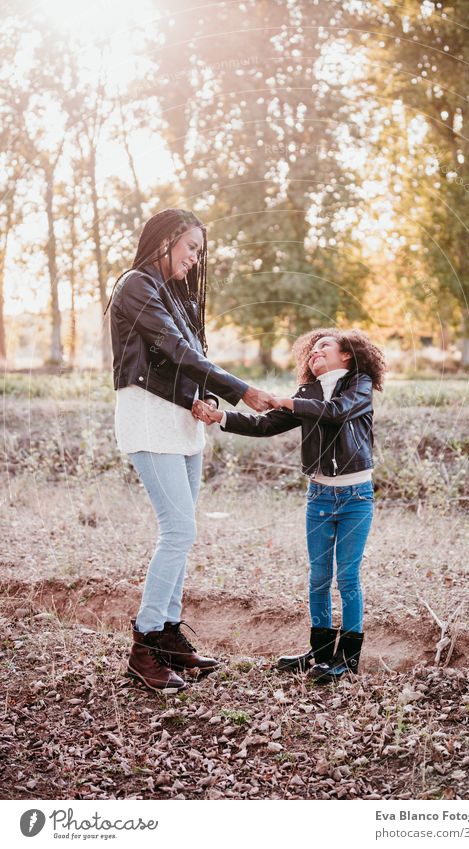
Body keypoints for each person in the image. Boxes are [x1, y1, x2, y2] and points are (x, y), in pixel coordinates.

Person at [107, 208, 281, 692]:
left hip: (182, 419)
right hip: (148, 416)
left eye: (199, 251)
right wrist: (240, 390)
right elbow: (177, 352)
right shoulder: (135, 286)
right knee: (178, 530)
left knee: (184, 532)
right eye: (191, 248)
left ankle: (166, 638)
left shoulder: (177, 296)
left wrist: (202, 395)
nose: (194, 259)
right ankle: (144, 647)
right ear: (165, 241)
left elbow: (189, 361)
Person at [196, 328, 386, 682]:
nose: (315, 352)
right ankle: (319, 653)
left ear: (346, 355)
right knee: (318, 578)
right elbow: (265, 425)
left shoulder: (358, 385)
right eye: (311, 350)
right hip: (319, 497)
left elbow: (336, 412)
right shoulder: (307, 393)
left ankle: (348, 658)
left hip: (355, 497)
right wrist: (220, 417)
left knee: (347, 577)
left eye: (324, 346)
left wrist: (286, 401)